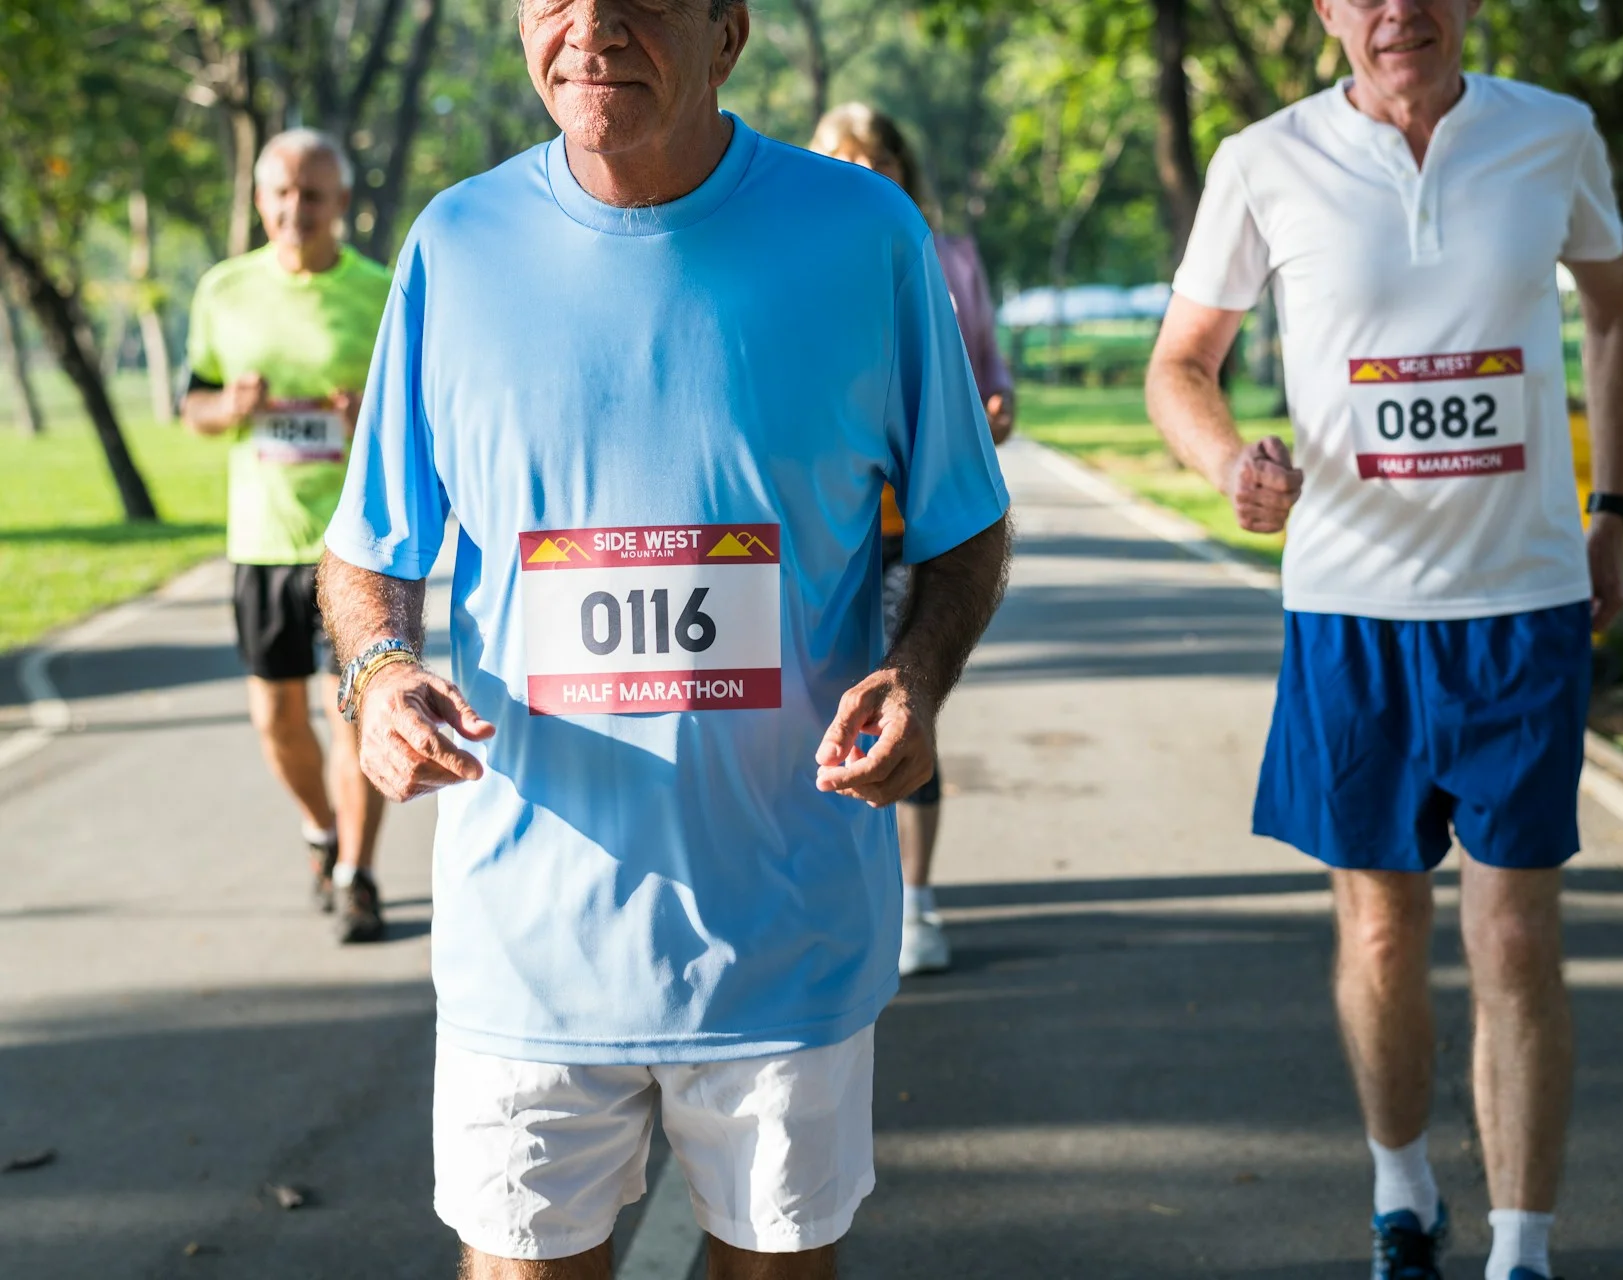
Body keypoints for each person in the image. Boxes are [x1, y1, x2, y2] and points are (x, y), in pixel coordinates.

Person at [317, 1, 1011, 1275]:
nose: (592, 29)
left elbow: (965, 523)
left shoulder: (865, 236)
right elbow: (368, 547)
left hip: (782, 930)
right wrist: (378, 673)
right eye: (553, 1)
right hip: (527, 940)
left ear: (727, 29)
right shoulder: (456, 246)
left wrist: (919, 676)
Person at [1144, 2, 1623, 1278]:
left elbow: (1617, 312)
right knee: (1379, 930)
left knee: (1515, 934)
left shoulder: (1554, 135)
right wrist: (1227, 464)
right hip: (1350, 612)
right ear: (1324, 11)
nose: (1397, 13)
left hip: (1522, 602)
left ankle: (1523, 1248)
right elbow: (1180, 364)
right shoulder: (1265, 157)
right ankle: (1402, 1188)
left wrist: (1614, 508)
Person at [808, 102, 1016, 976]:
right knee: (814, 706)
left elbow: (988, 374)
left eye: (873, 160)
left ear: (902, 169)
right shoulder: (796, 257)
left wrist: (991, 410)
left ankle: (916, 900)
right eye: (838, 161)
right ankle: (831, 891)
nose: (859, 175)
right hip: (822, 535)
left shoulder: (950, 259)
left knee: (901, 695)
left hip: (915, 528)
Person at [181, 128, 393, 944]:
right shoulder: (224, 291)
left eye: (312, 195)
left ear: (340, 203)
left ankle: (359, 875)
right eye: (279, 194)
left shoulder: (380, 289)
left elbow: (410, 411)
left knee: (353, 712)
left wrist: (362, 414)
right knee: (276, 719)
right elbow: (194, 408)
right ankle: (322, 830)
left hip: (352, 544)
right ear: (260, 200)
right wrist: (230, 408)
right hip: (261, 541)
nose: (293, 209)